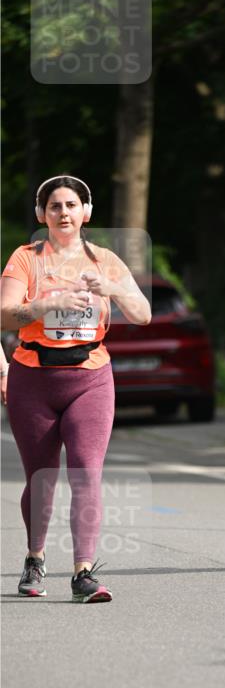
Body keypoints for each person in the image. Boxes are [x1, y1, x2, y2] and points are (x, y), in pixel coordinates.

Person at [0, 174, 151, 602]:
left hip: (90, 377)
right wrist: (45, 305)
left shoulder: (105, 259)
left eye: (71, 205)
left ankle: (84, 571)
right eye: (54, 206)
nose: (63, 213)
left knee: (86, 473)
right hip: (34, 378)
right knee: (42, 478)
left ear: (86, 212)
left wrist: (116, 288)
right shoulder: (26, 259)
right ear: (41, 215)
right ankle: (34, 557)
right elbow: (3, 315)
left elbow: (141, 315)